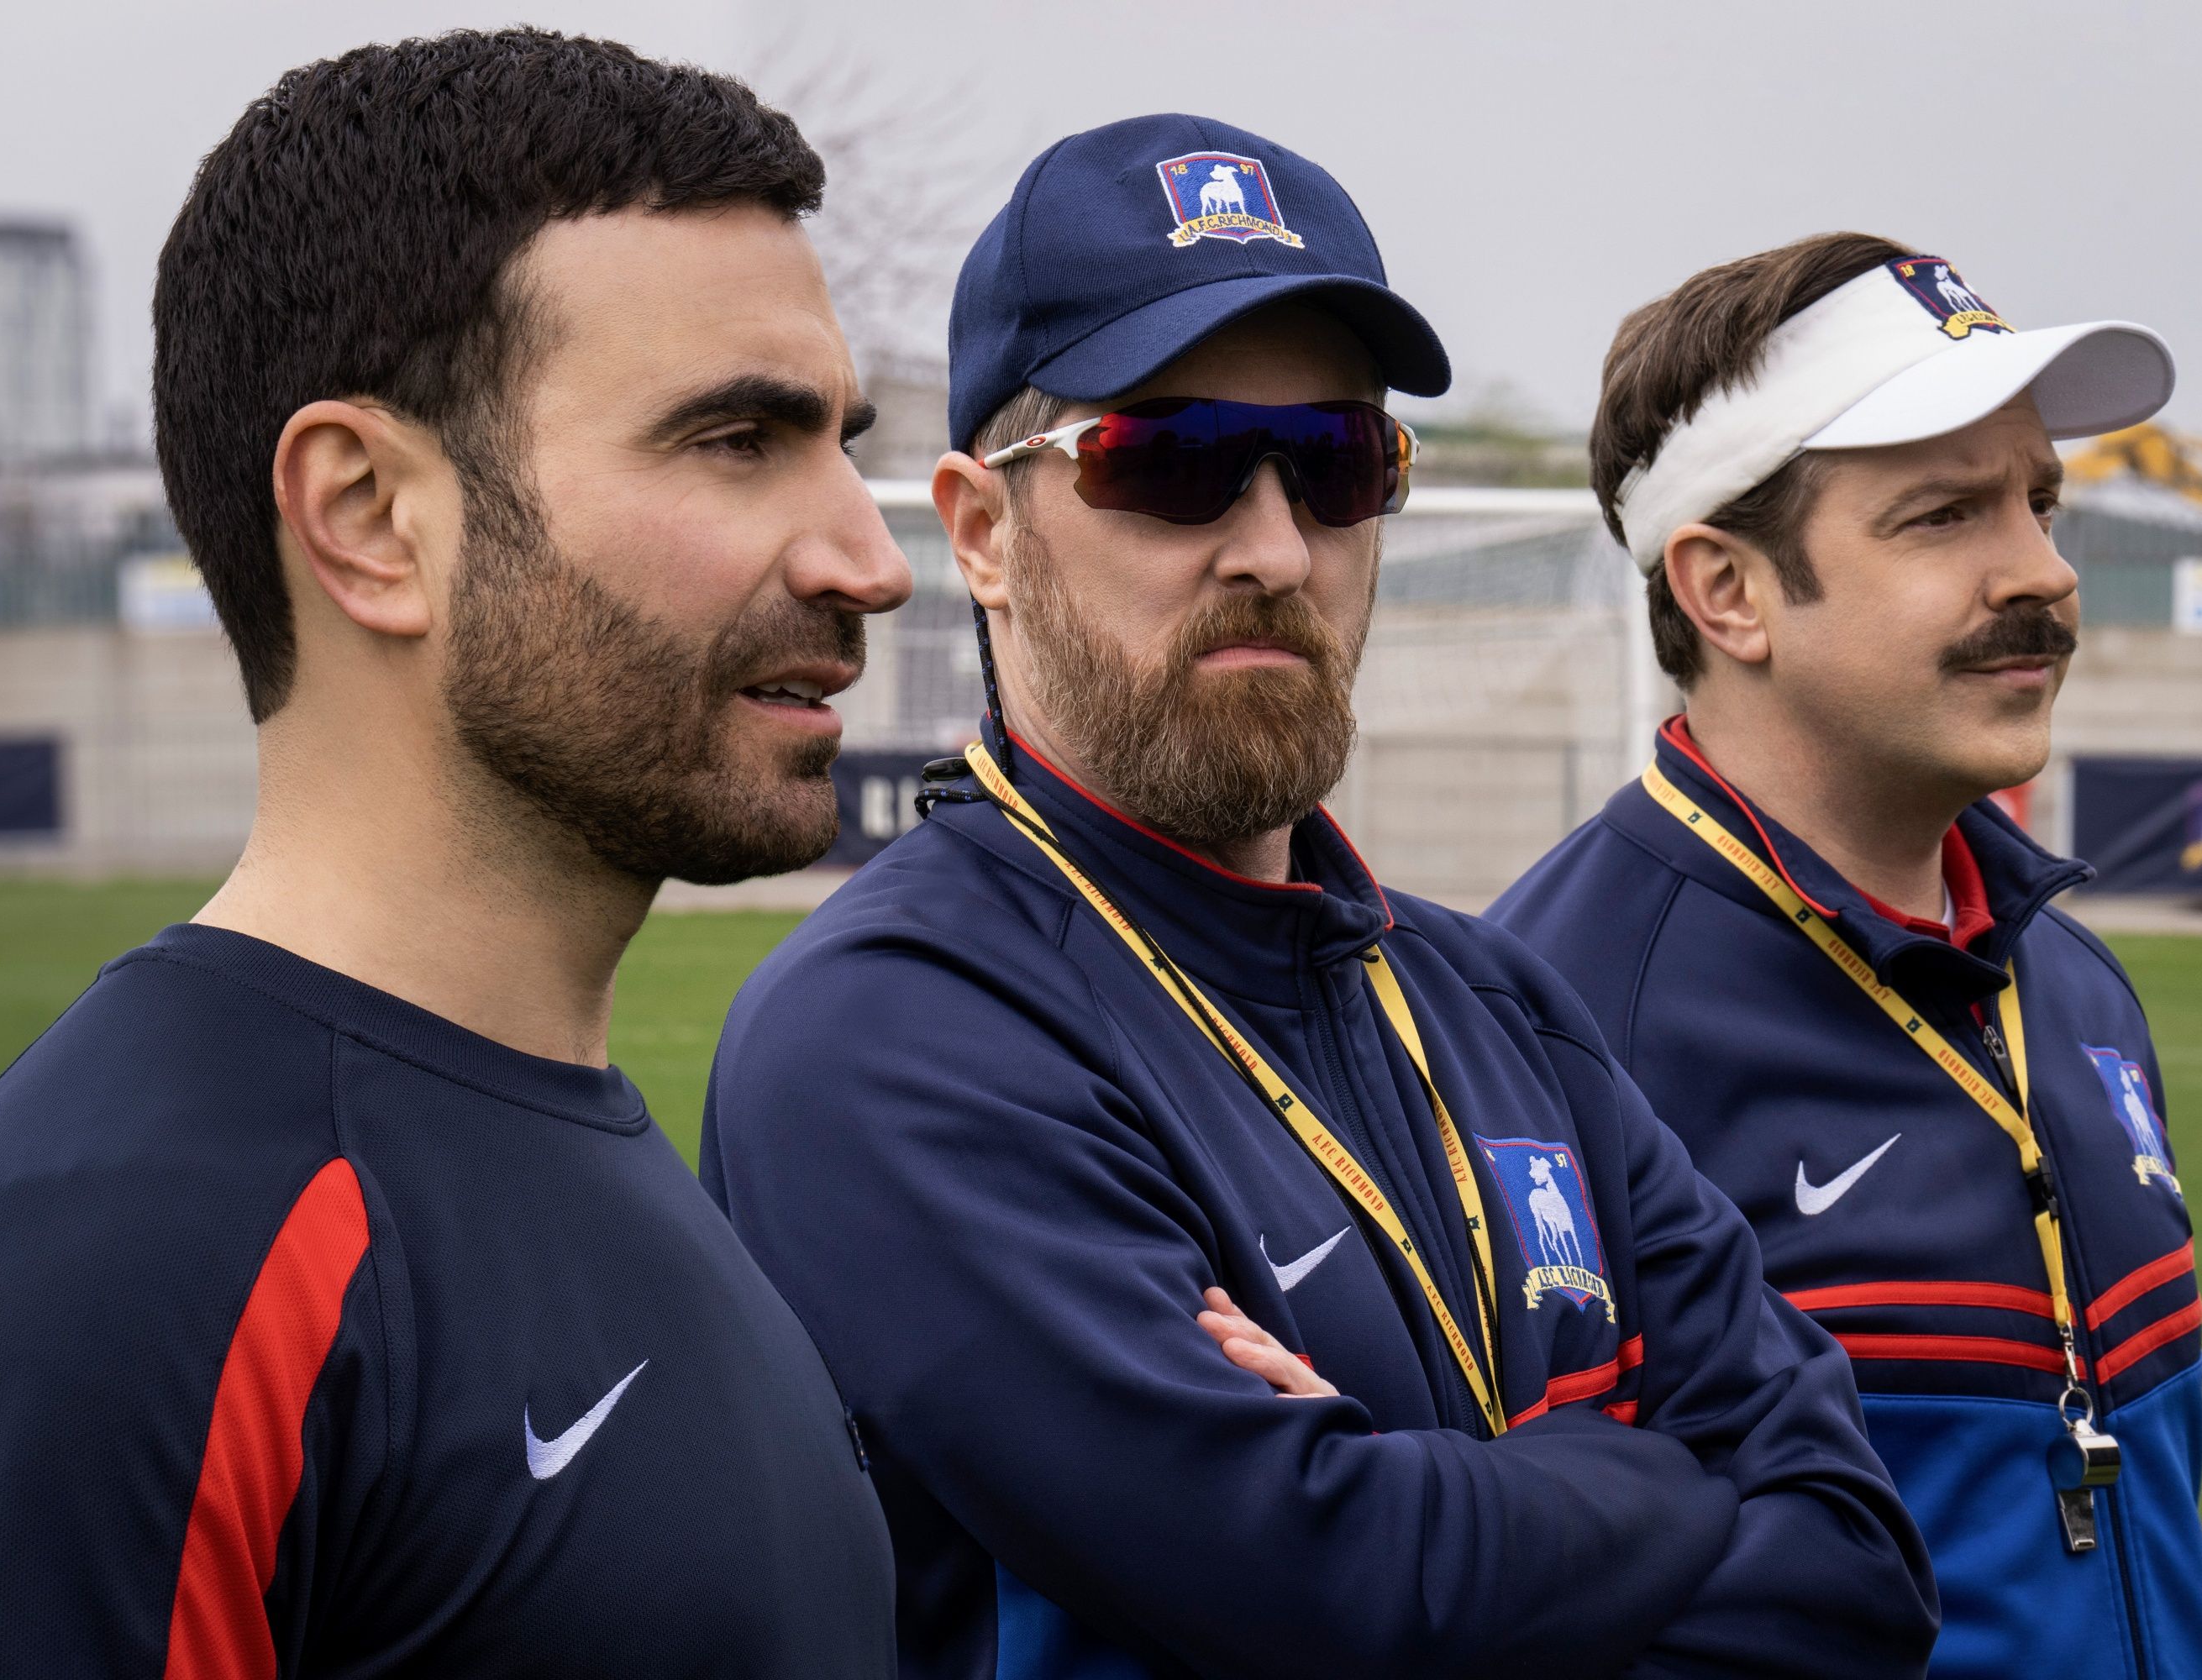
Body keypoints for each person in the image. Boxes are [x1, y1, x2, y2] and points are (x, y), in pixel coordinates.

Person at [701, 115, 1937, 1680]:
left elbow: (1857, 1565)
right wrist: (1653, 1474)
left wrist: (1427, 1520)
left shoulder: (1494, 1003)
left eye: (1341, 463)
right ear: (982, 532)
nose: (1276, 547)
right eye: (1174, 460)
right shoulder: (890, 1035)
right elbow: (1325, 1597)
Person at [0, 31, 912, 1677]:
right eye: (737, 440)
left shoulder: (571, 1149)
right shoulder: (124, 1265)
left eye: (840, 439)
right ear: (371, 516)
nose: (868, 556)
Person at [1490, 235, 2202, 1676]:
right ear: (1729, 592)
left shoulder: (2069, 979)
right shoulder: (1545, 1030)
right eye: (1945, 517)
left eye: (2041, 501)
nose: (2045, 574)